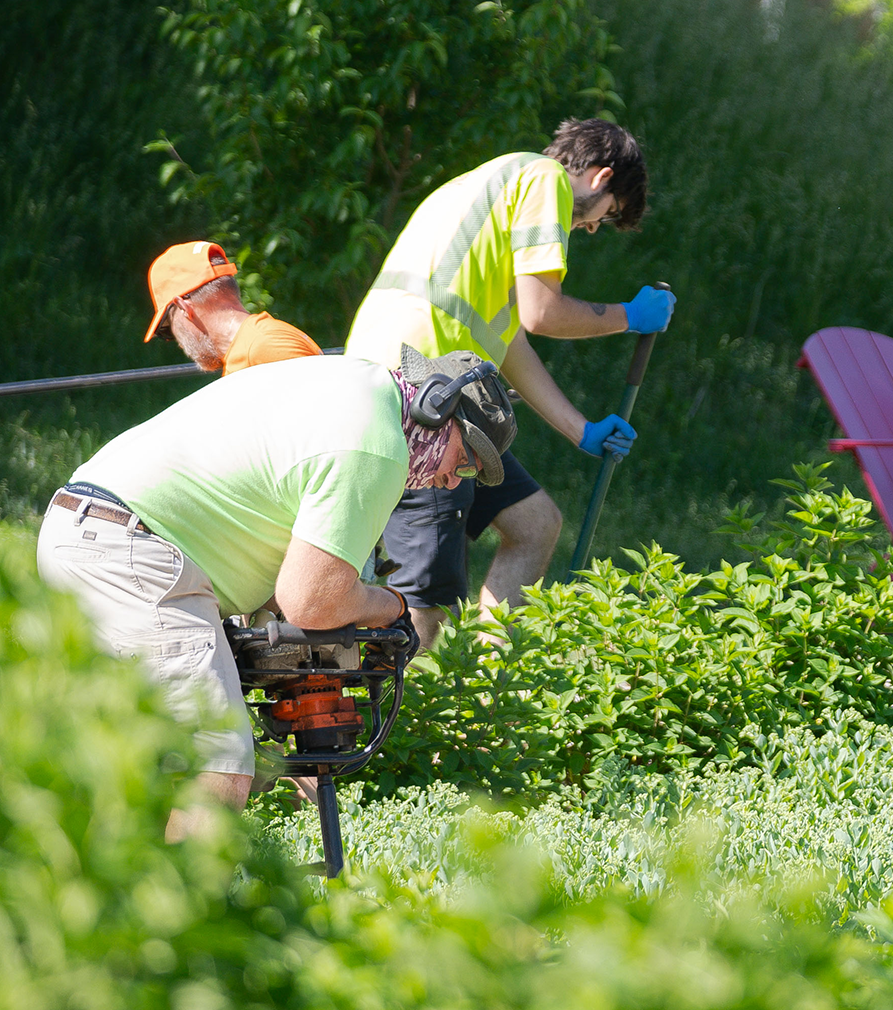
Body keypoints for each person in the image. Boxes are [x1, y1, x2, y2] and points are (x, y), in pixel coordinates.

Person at [36, 347, 517, 839]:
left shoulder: (357, 383)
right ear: (436, 410)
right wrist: (391, 606)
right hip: (134, 552)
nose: (450, 479)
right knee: (217, 760)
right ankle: (188, 914)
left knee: (122, 763)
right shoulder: (377, 445)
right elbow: (311, 599)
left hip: (95, 529)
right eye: (463, 460)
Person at [343, 118, 673, 643]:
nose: (589, 230)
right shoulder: (546, 180)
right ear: (600, 175)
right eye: (604, 216)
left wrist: (580, 430)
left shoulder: (490, 186)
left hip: (434, 381)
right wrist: (626, 316)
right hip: (418, 390)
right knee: (428, 598)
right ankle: (418, 715)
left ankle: (490, 684)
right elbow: (544, 313)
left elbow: (513, 339)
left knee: (535, 524)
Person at [146, 240, 322, 372]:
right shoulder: (248, 351)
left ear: (184, 307)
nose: (178, 343)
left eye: (167, 329)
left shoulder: (264, 347)